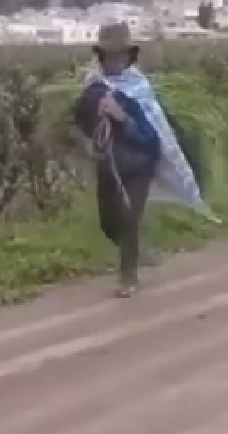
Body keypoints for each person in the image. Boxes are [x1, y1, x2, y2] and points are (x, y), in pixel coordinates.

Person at [75, 23, 161, 297]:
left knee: (128, 217)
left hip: (139, 165)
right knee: (109, 222)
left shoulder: (139, 89)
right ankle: (134, 247)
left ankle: (128, 276)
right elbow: (81, 122)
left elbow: (151, 136)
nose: (115, 61)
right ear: (102, 57)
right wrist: (96, 117)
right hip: (109, 166)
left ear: (128, 56)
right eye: (110, 56)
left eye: (120, 55)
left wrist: (121, 118)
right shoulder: (93, 88)